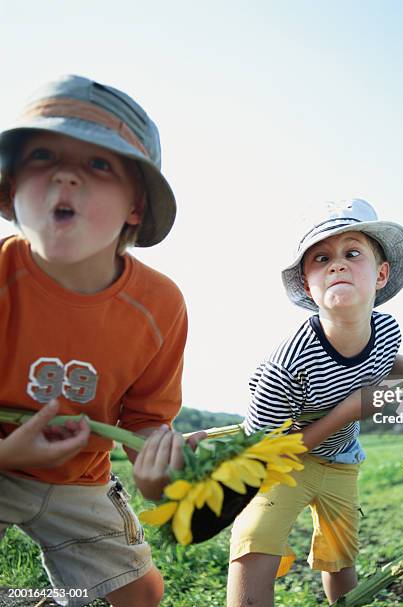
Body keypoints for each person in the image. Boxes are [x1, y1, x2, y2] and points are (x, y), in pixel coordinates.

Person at [0, 74, 186, 607]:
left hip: (81, 476)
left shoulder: (160, 306)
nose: (65, 175)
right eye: (41, 155)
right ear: (12, 189)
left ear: (136, 207)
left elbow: (148, 420)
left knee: (141, 596)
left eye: (99, 164)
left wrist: (157, 470)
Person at [227, 199, 403, 606]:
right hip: (281, 460)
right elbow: (264, 451)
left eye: (352, 253)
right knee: (254, 539)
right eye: (321, 258)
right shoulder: (289, 362)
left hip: (341, 462)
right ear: (307, 284)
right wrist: (351, 410)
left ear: (381, 274)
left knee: (340, 556)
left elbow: (382, 358)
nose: (338, 265)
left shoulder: (386, 330)